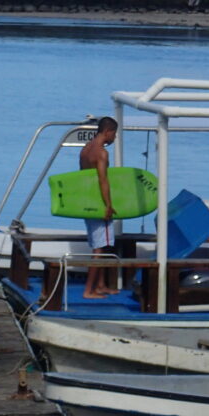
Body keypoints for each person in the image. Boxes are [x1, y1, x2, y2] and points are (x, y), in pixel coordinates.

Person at [79, 116, 118, 299]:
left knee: (98, 245)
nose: (115, 137)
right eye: (115, 133)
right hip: (100, 204)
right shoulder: (101, 153)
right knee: (99, 249)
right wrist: (109, 205)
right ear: (108, 131)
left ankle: (100, 285)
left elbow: (84, 178)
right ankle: (88, 290)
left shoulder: (86, 149)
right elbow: (103, 180)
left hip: (88, 202)